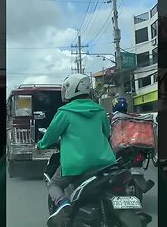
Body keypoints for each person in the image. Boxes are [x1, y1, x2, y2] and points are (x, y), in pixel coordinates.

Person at [36, 73, 116, 226]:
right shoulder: (99, 111)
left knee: (54, 184)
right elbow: (106, 133)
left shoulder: (65, 112)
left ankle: (64, 204)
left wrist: (41, 145)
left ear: (70, 89)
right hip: (106, 163)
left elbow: (51, 135)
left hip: (76, 166)